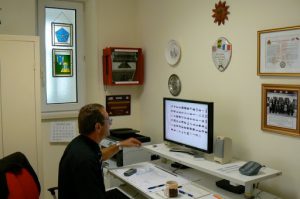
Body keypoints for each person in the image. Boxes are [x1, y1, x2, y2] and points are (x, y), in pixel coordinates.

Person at [58, 103, 142, 199]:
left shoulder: (81, 143)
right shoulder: (85, 160)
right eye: (108, 120)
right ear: (98, 127)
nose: (110, 123)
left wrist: (120, 145)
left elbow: (99, 155)